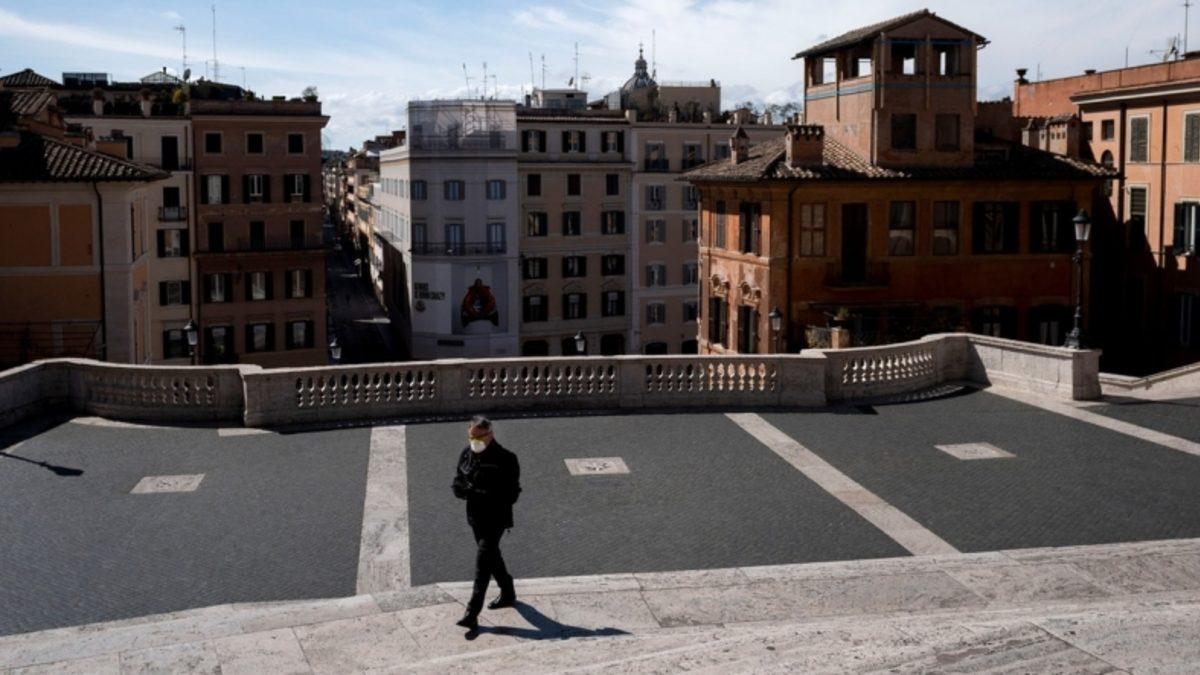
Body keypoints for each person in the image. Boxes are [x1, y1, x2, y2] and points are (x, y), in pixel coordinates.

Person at [452, 415, 521, 630]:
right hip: (475, 517)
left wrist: (481, 493)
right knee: (492, 557)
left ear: (490, 434)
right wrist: (461, 490)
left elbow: (511, 494)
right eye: (471, 436)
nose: (474, 441)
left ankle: (472, 612)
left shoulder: (507, 459)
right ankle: (508, 591)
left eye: (478, 437)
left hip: (496, 519)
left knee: (483, 562)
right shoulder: (467, 454)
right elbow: (457, 481)